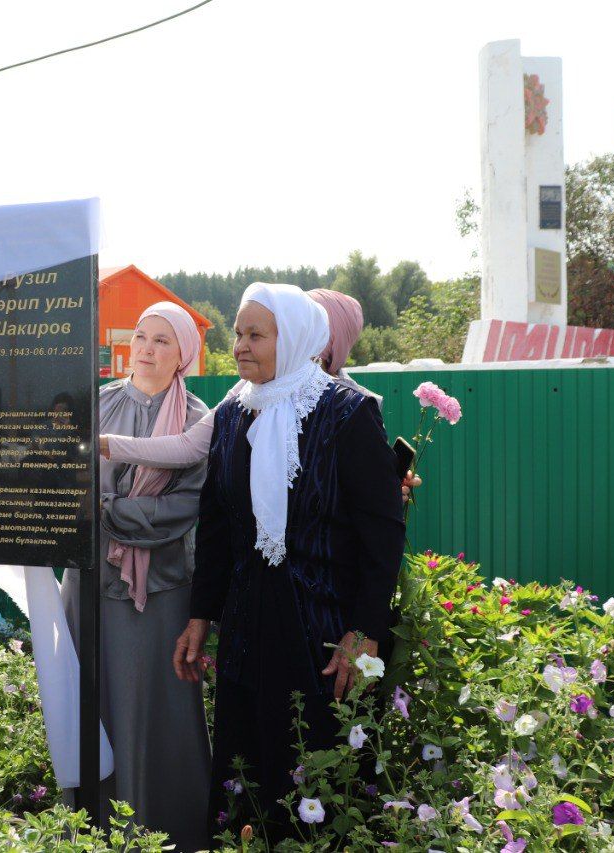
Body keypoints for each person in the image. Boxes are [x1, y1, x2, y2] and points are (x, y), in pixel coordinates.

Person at [171, 283, 405, 839]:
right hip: (249, 626)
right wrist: (200, 617)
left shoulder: (346, 414)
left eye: (256, 334)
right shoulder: (233, 415)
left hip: (322, 631)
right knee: (246, 768)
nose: (241, 346)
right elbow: (219, 528)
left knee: (314, 770)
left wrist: (365, 631)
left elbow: (382, 531)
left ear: (294, 338)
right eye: (238, 333)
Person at [62, 302, 210, 850]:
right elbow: (58, 481)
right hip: (88, 588)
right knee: (90, 710)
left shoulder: (199, 421)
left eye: (162, 342)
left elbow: (185, 507)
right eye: (140, 337)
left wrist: (105, 508)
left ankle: (163, 831)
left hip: (159, 595)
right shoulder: (93, 405)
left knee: (154, 712)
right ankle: (91, 830)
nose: (145, 350)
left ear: (183, 356)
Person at [99, 289, 422, 497]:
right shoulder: (245, 395)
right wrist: (100, 444)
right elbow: (190, 448)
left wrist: (389, 489)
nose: (242, 347)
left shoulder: (354, 407)